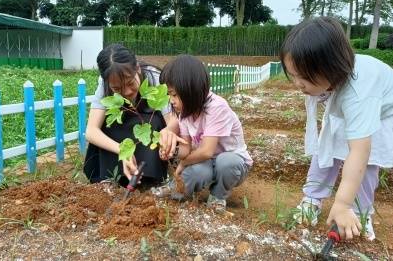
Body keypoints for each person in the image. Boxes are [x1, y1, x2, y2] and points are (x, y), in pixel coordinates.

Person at [280, 16, 393, 241]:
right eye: (292, 75)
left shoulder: (360, 94)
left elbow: (360, 152)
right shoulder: (333, 81)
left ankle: (360, 214)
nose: (297, 84)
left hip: (380, 113)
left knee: (367, 164)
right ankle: (312, 199)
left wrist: (342, 204)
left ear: (331, 69)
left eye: (303, 77)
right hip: (346, 102)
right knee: (327, 148)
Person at [152, 55, 253, 212]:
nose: (171, 101)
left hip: (234, 162)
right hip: (206, 161)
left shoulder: (217, 107)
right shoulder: (184, 111)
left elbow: (206, 151)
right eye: (169, 95)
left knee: (226, 162)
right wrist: (172, 151)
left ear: (190, 90)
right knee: (199, 172)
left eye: (174, 94)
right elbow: (186, 148)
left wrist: (184, 163)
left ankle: (218, 196)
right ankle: (175, 189)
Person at [84, 44, 181, 187]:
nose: (127, 92)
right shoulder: (105, 84)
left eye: (130, 82)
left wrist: (166, 132)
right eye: (117, 88)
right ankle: (110, 179)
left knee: (153, 121)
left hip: (148, 135)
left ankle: (150, 180)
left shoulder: (154, 77)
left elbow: (173, 121)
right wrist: (123, 151)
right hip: (120, 137)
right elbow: (91, 131)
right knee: (109, 122)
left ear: (137, 68)